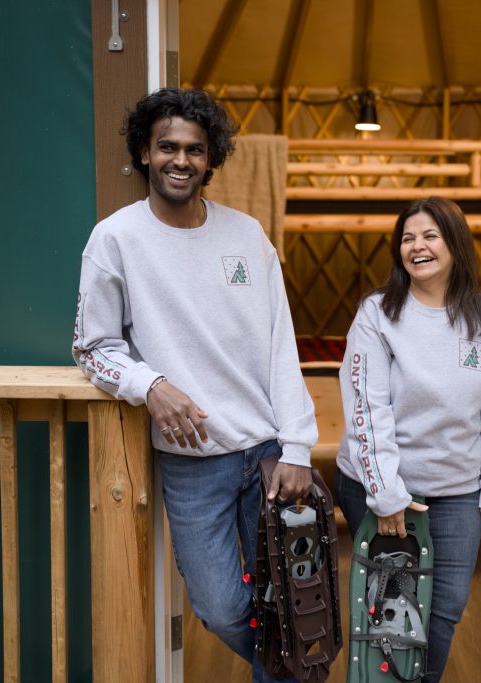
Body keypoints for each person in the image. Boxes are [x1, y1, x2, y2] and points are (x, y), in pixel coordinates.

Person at [72, 88, 316, 683]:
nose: (181, 160)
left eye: (194, 150)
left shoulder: (247, 236)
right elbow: (91, 348)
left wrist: (298, 447)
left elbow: (281, 345)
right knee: (218, 607)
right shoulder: (116, 239)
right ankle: (297, 674)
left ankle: (288, 673)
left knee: (285, 600)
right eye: (168, 148)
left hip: (265, 455)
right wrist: (148, 383)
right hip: (192, 462)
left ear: (212, 158)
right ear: (145, 153)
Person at [335, 196, 481, 683]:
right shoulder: (379, 313)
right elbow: (366, 406)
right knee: (390, 618)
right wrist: (387, 492)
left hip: (457, 490)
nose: (418, 246)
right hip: (383, 487)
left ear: (455, 244)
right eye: (408, 238)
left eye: (430, 235)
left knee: (444, 612)